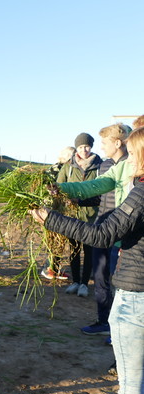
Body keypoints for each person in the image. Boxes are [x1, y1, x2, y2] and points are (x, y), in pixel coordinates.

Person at [28, 126, 144, 394]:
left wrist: (52, 218)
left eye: (134, 150)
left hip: (136, 297)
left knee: (131, 383)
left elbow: (101, 234)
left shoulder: (140, 194)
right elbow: (99, 192)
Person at [80, 124, 131, 338]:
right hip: (101, 226)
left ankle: (120, 328)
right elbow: (99, 194)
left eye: (104, 142)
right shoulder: (105, 166)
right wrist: (76, 199)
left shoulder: (133, 166)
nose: (100, 147)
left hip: (120, 231)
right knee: (100, 277)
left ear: (117, 142)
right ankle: (104, 321)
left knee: (118, 282)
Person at [56, 133, 102, 297]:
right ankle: (75, 281)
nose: (84, 150)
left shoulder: (99, 166)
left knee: (88, 251)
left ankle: (84, 284)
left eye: (87, 146)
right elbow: (58, 186)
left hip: (92, 216)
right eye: (81, 146)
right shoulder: (68, 166)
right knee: (74, 250)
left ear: (91, 147)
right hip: (72, 216)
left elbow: (102, 191)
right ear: (77, 147)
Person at [41, 146, 75, 280]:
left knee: (60, 241)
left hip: (62, 209)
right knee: (53, 240)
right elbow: (49, 188)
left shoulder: (69, 168)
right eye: (72, 155)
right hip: (52, 209)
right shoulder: (55, 169)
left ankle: (55, 269)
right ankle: (48, 269)